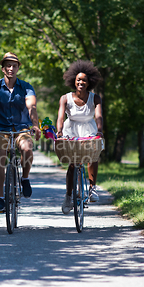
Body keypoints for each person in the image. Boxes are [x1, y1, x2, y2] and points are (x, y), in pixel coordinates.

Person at [0, 52, 41, 213]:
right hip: (2, 129)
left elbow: (32, 107)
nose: (11, 68)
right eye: (8, 65)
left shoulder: (26, 87)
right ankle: (0, 198)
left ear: (18, 68)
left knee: (27, 148)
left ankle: (25, 178)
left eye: (14, 65)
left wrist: (35, 125)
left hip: (22, 128)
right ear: (3, 68)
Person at [56, 60, 104, 214]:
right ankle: (68, 196)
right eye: (78, 80)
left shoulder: (95, 98)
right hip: (71, 131)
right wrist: (59, 132)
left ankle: (92, 188)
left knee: (93, 156)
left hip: (89, 130)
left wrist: (100, 131)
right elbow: (60, 118)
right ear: (73, 81)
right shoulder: (65, 98)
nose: (81, 82)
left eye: (84, 80)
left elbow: (99, 116)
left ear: (89, 82)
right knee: (72, 164)